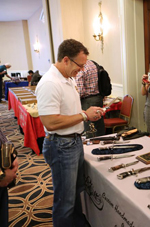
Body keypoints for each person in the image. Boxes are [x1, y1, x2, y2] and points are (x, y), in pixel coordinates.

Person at [35, 39, 104, 227]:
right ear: (66, 60)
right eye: (80, 65)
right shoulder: (50, 83)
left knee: (74, 194)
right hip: (60, 146)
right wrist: (83, 115)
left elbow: (69, 111)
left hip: (73, 142)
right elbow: (50, 121)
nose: (81, 70)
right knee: (64, 201)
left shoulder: (69, 78)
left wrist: (89, 115)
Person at [76, 60, 105, 137]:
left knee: (89, 129)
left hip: (87, 101)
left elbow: (80, 91)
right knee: (98, 127)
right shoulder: (92, 63)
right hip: (98, 98)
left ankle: (91, 147)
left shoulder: (82, 67)